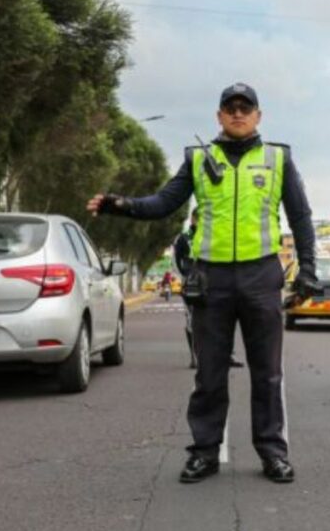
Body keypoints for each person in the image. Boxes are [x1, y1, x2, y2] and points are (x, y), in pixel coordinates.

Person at [87, 82, 317, 484]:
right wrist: (118, 205)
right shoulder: (198, 159)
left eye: (246, 108)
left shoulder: (278, 158)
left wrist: (308, 269)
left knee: (267, 374)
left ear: (258, 116)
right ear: (219, 116)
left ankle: (273, 453)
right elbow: (163, 203)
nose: (238, 114)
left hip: (261, 275)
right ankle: (204, 453)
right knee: (209, 373)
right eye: (231, 108)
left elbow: (300, 217)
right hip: (211, 278)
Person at [174, 210, 243, 370]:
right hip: (193, 284)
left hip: (215, 280)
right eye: (198, 219)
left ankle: (227, 355)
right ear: (193, 219)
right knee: (193, 319)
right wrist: (186, 277)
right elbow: (177, 260)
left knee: (226, 317)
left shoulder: (214, 233)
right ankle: (195, 357)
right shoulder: (184, 238)